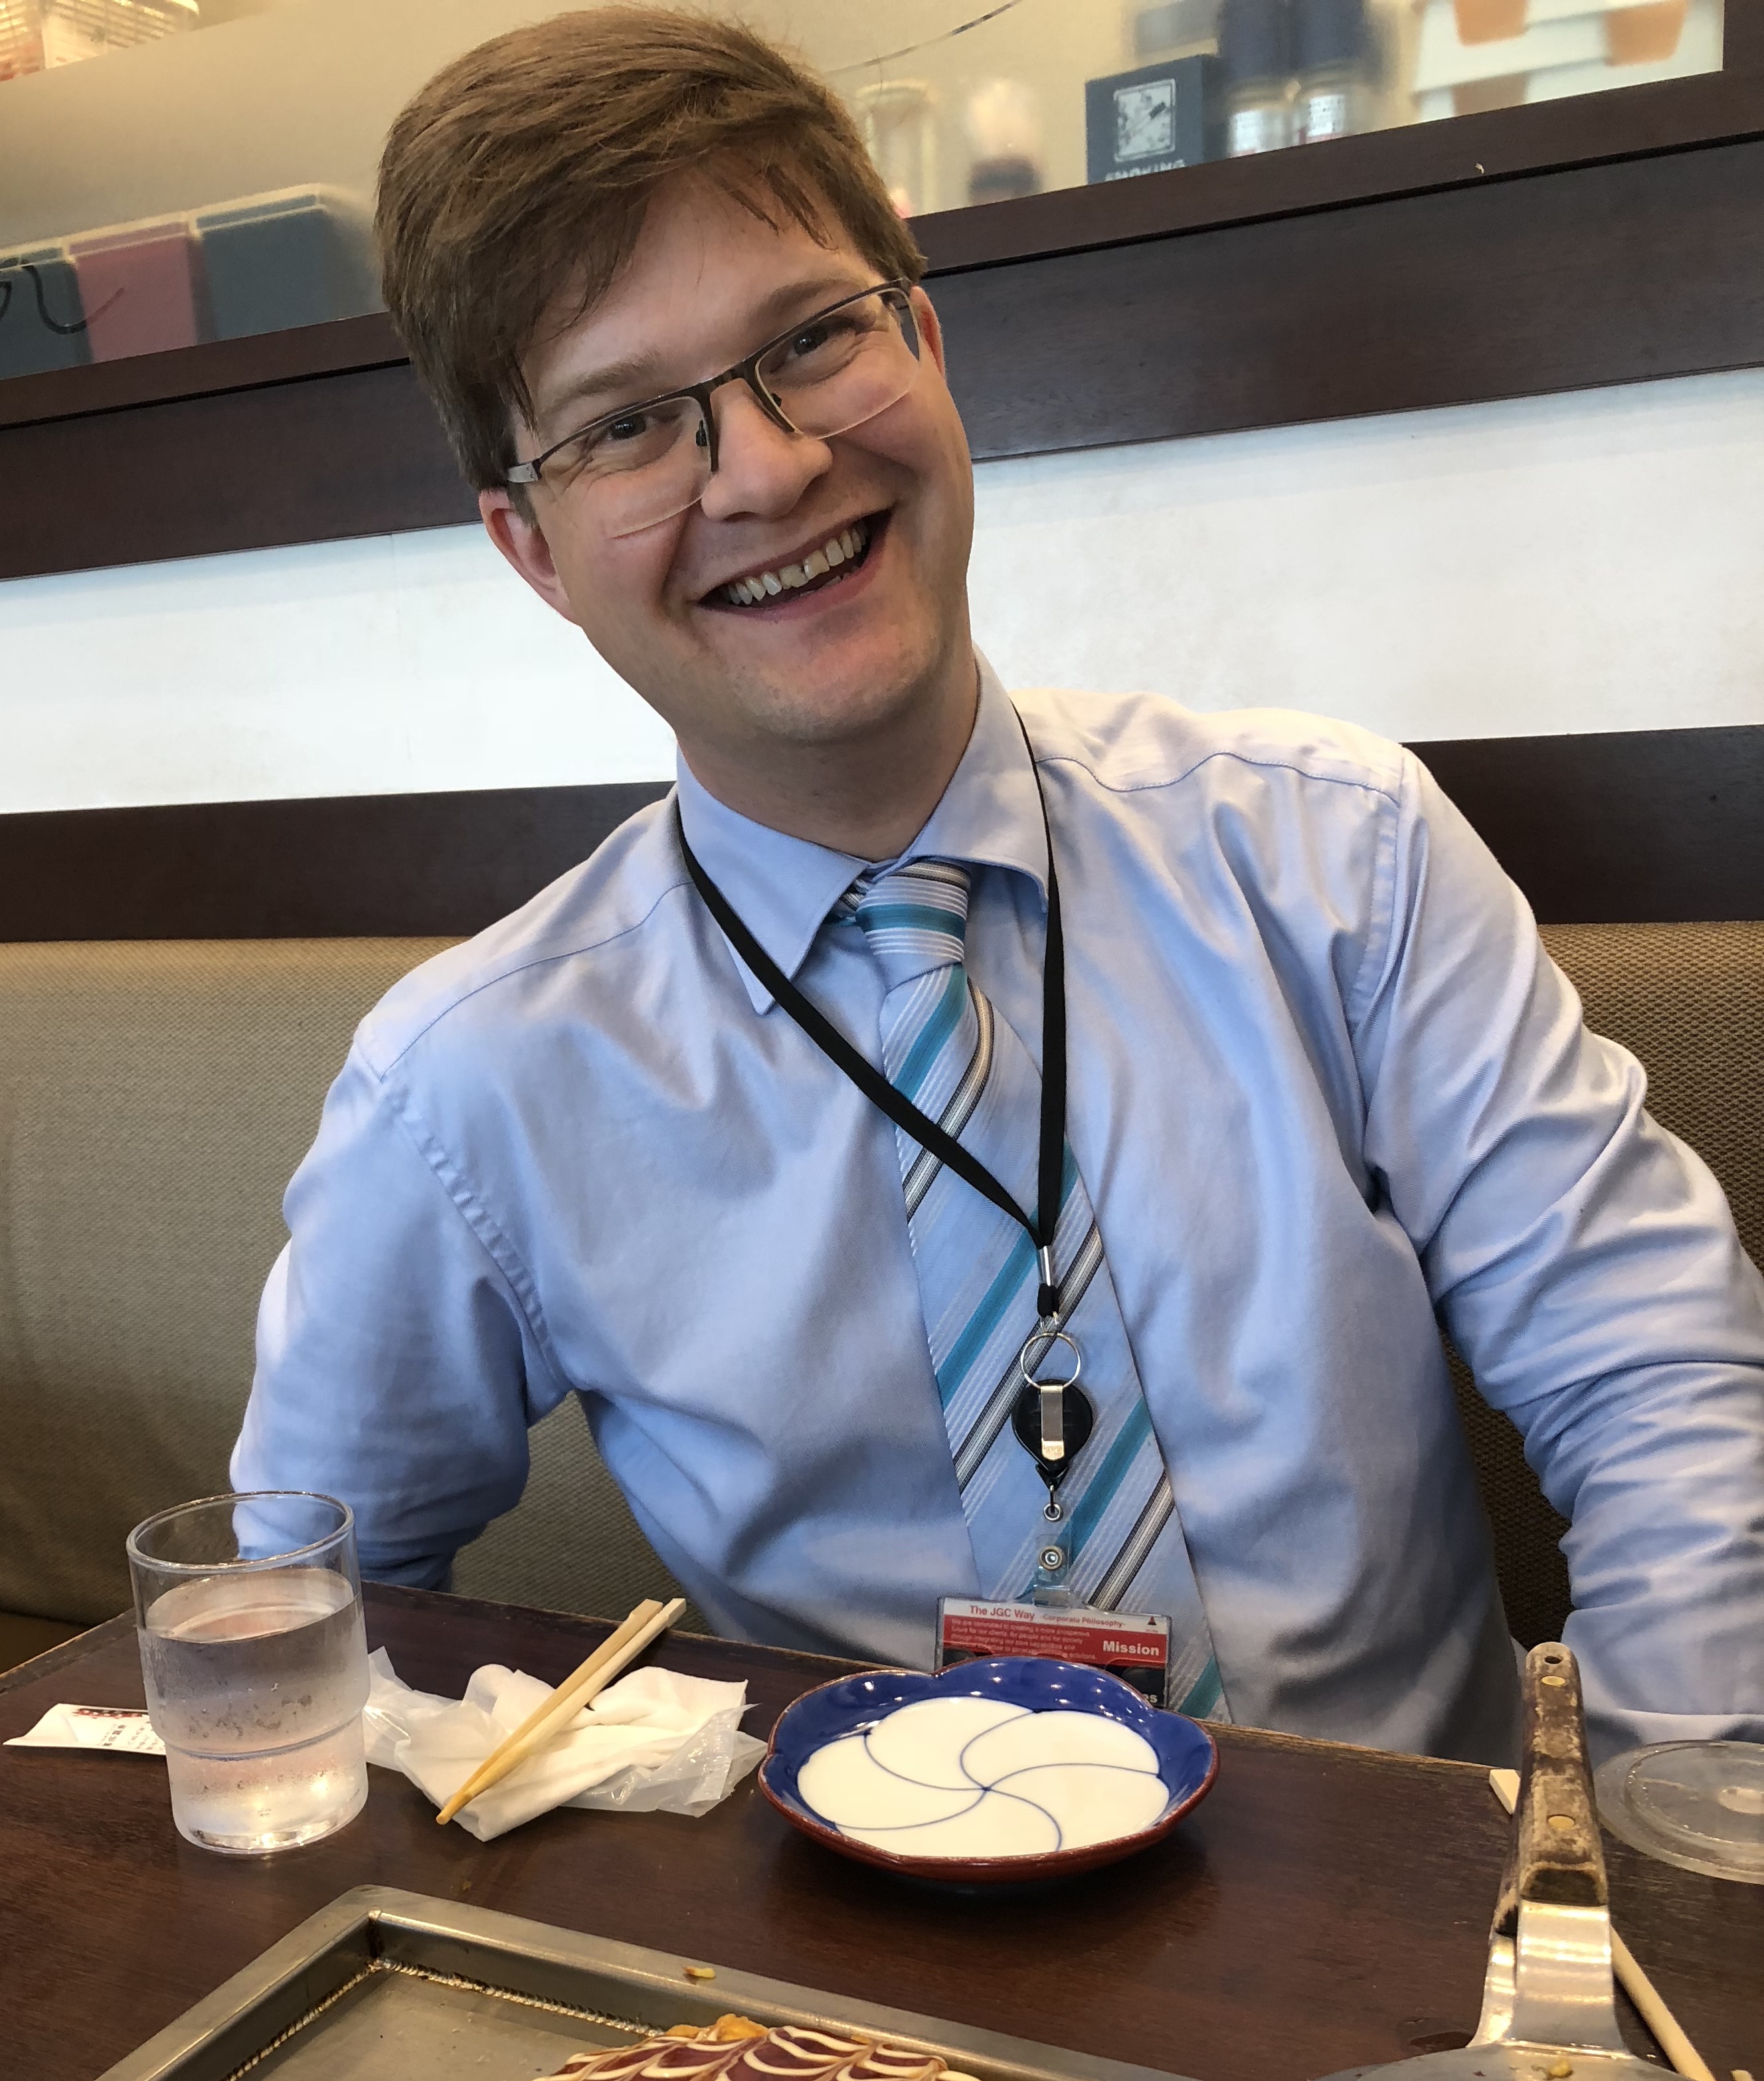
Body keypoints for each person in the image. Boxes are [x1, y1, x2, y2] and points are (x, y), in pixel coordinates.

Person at [233, 8, 1764, 1764]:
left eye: (811, 339)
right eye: (630, 425)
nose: (770, 467)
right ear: (533, 548)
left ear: (927, 342)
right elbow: (293, 1609)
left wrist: (1670, 1854)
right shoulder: (467, 1081)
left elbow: (1660, 1383)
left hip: (1401, 1882)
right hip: (858, 1921)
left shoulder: (1337, 851)